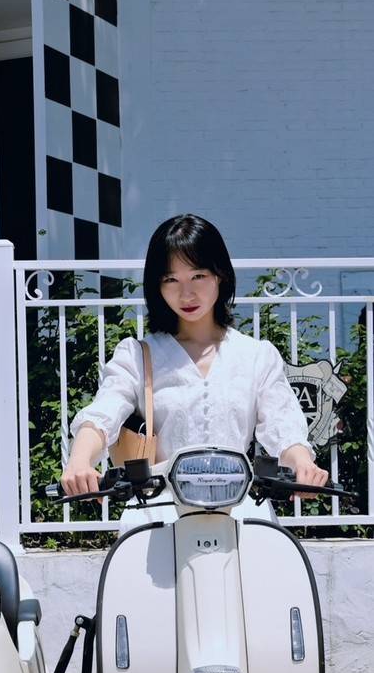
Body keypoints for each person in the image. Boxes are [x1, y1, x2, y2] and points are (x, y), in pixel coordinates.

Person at [61, 214, 328, 508]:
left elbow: (283, 425)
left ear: (220, 275)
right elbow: (103, 413)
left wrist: (303, 464)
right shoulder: (137, 355)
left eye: (198, 276)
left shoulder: (256, 356)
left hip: (238, 510)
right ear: (157, 286)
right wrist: (80, 460)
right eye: (171, 279)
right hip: (159, 510)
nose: (186, 293)